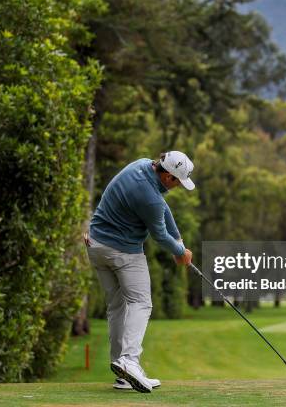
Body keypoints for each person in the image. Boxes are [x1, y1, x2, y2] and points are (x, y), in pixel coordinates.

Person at [85, 151, 195, 393]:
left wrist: (178, 239)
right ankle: (129, 360)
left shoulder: (142, 164)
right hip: (121, 251)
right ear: (168, 177)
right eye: (178, 182)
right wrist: (181, 251)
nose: (178, 187)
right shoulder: (150, 199)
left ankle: (123, 372)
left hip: (96, 245)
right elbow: (159, 235)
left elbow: (162, 208)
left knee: (117, 307)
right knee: (141, 302)